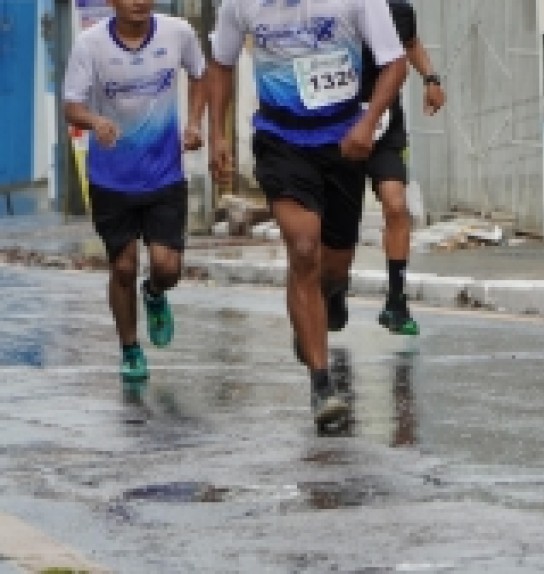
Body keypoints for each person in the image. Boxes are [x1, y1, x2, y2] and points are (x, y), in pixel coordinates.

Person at [207, 0, 407, 429]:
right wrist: (217, 136)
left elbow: (395, 63)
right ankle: (321, 385)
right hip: (280, 141)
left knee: (333, 267)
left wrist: (368, 123)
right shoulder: (239, 4)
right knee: (302, 248)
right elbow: (221, 63)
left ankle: (329, 297)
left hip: (343, 140)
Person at [63, 0, 206, 397]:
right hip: (111, 178)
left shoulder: (177, 32)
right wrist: (94, 121)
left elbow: (200, 74)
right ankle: (129, 349)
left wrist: (195, 123)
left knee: (167, 267)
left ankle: (155, 293)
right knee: (123, 268)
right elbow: (72, 105)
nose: (139, 2)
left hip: (164, 174)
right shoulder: (90, 44)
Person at [341, 0, 446, 337]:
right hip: (337, 126)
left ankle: (396, 302)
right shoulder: (333, 10)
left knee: (396, 205)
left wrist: (431, 78)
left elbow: (411, 43)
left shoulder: (399, 10)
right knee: (340, 219)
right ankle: (333, 290)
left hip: (385, 126)